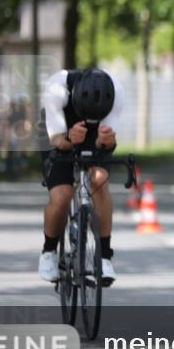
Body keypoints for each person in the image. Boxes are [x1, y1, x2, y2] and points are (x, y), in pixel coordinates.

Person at [38, 68, 124, 285]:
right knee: (62, 195)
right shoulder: (56, 90)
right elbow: (57, 140)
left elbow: (108, 144)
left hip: (94, 130)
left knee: (98, 179)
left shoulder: (115, 92)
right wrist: (69, 137)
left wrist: (104, 140)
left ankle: (104, 256)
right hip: (60, 130)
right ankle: (48, 251)